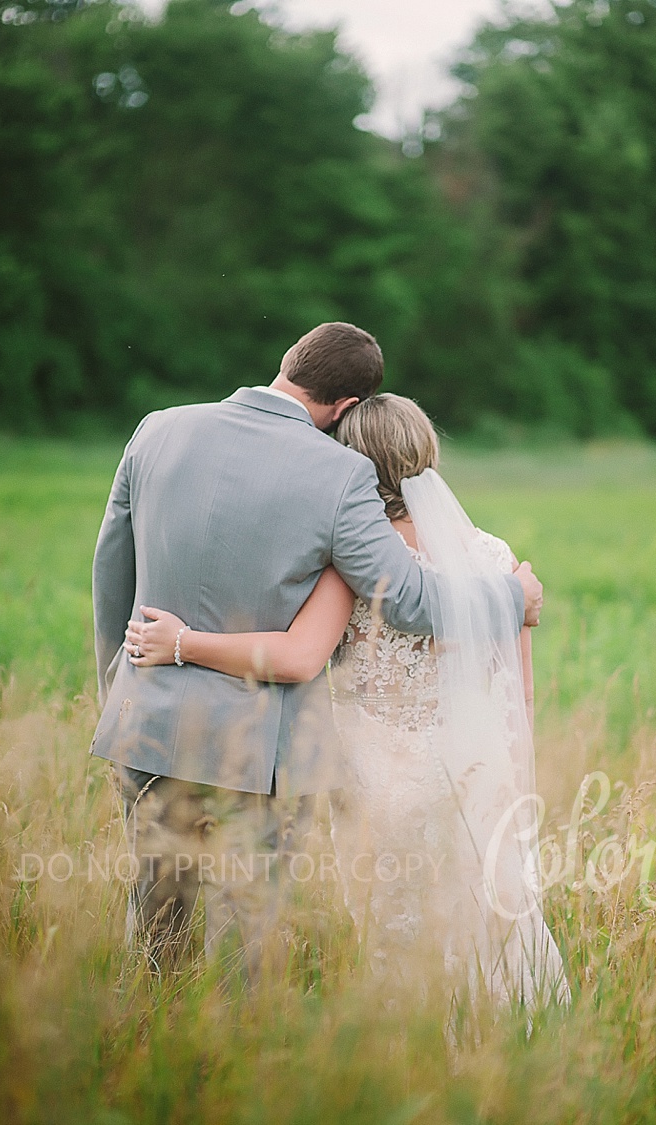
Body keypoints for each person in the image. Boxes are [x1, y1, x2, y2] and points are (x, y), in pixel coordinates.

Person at [91, 323, 543, 985]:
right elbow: (410, 599)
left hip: (149, 724)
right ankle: (234, 1068)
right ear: (349, 407)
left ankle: (147, 1052)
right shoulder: (341, 473)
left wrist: (123, 694)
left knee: (156, 930)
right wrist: (513, 597)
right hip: (261, 750)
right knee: (249, 942)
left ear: (287, 365)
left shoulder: (156, 428)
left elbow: (112, 575)